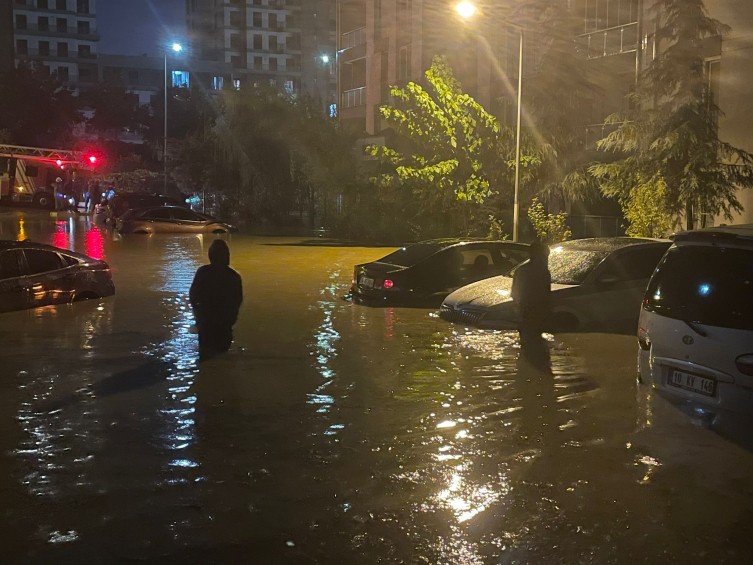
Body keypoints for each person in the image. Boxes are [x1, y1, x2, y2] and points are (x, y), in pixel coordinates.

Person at [189, 240, 243, 360]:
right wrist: (232, 318)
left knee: (205, 357)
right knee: (222, 357)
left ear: (210, 256)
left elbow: (193, 296)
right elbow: (238, 300)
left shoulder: (203, 272)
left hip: (206, 322)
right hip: (224, 323)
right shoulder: (233, 276)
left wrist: (197, 314)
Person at [511, 240, 551, 345]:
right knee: (537, 343)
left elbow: (514, 293)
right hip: (536, 312)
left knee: (527, 343)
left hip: (525, 312)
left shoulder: (521, 270)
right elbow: (547, 293)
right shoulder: (543, 272)